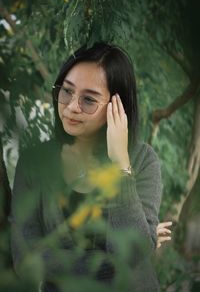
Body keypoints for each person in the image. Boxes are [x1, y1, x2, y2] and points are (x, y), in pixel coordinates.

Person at [11, 42, 164, 292]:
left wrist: (120, 164)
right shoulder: (34, 163)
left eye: (89, 100)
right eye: (67, 91)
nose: (72, 106)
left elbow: (135, 249)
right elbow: (26, 257)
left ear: (117, 107)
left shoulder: (143, 160)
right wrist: (116, 263)